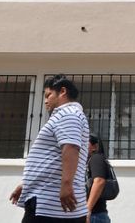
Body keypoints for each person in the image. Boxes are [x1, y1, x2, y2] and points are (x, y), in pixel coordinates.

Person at [10, 75, 90, 222]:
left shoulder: (68, 113)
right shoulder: (66, 115)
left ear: (62, 92)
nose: (45, 101)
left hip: (50, 206)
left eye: (48, 95)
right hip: (49, 203)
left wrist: (66, 185)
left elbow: (71, 147)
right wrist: (28, 183)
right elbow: (54, 158)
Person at [86, 133, 111, 223]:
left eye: (85, 141)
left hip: (94, 216)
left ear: (95, 146)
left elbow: (99, 181)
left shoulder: (96, 158)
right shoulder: (90, 160)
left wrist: (87, 210)